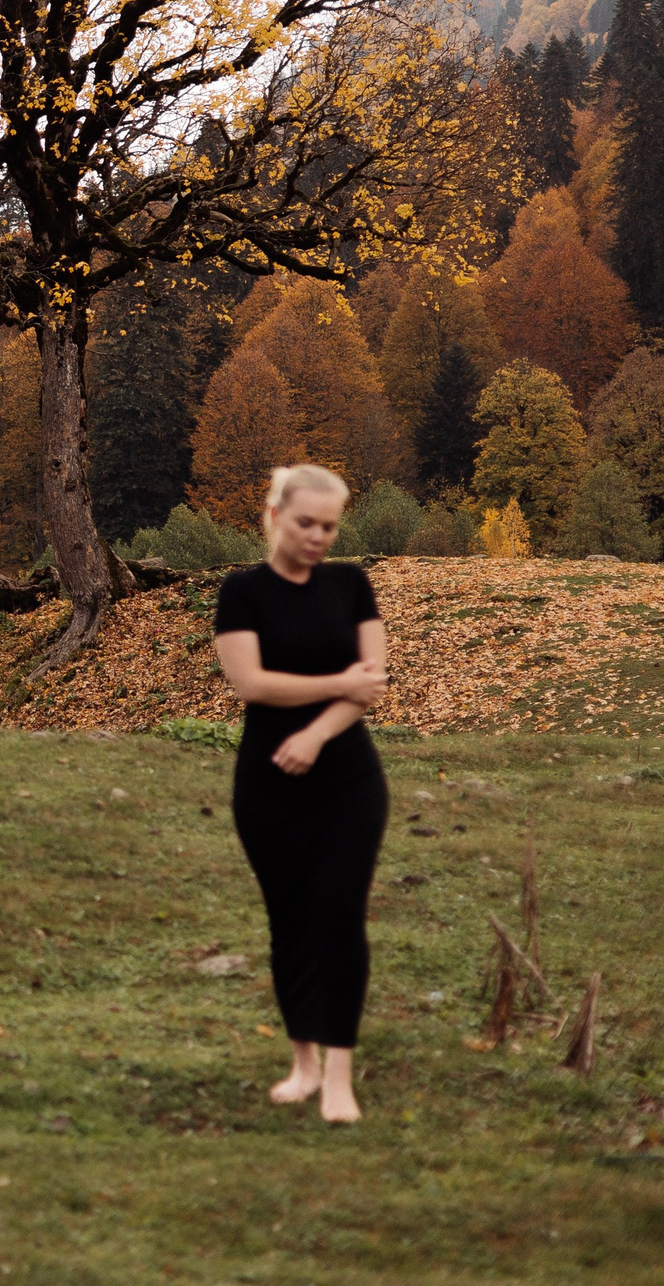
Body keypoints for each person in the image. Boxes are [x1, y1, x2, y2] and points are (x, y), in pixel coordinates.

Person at [211, 464, 388, 1123]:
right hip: (268, 787)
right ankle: (303, 1063)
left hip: (349, 781)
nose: (318, 536)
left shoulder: (351, 584)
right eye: (305, 522)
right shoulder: (242, 592)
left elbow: (372, 683)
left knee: (341, 917)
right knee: (290, 923)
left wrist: (316, 733)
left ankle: (340, 1074)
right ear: (274, 515)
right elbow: (251, 684)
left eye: (329, 526)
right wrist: (337, 682)